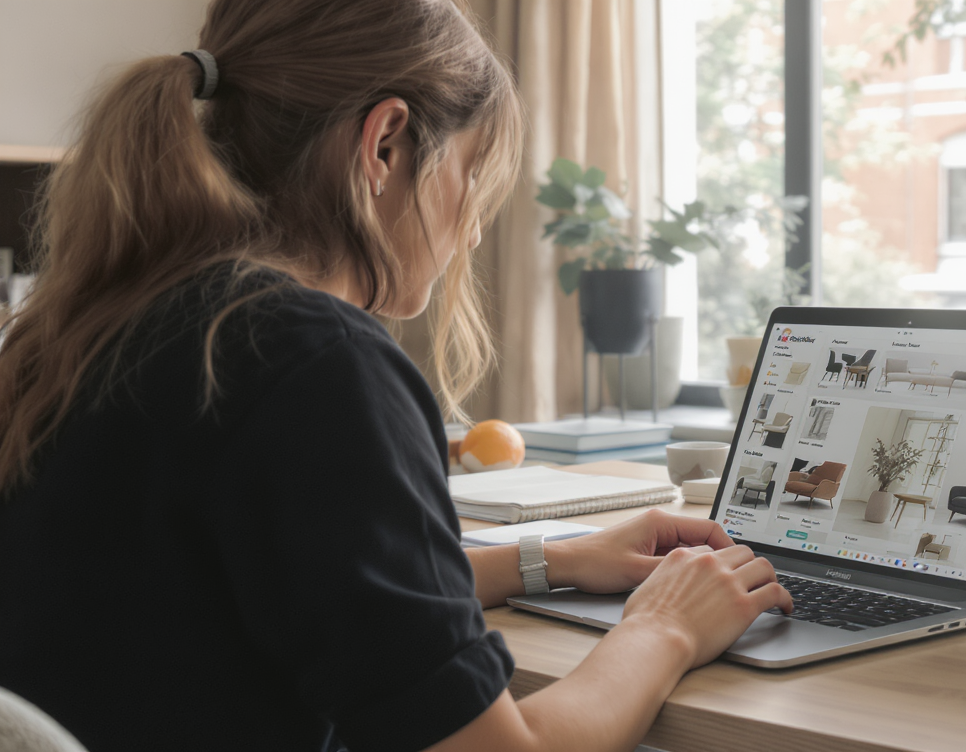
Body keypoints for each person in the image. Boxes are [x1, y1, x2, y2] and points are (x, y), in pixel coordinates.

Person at [0, 1, 792, 751]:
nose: (475, 226)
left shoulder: (87, 330)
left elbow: (291, 584)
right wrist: (666, 628)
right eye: (474, 175)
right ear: (386, 145)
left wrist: (552, 559)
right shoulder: (310, 361)